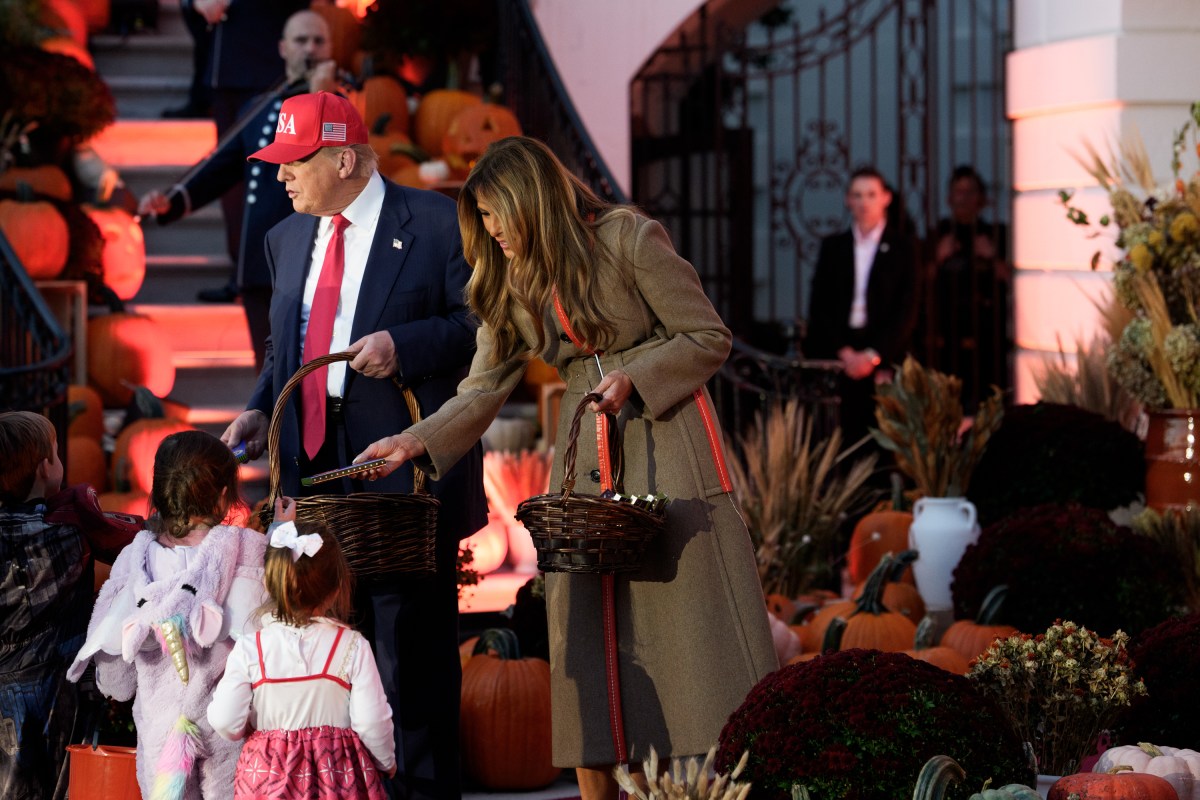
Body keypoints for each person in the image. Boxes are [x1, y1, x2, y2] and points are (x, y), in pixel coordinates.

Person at [352, 136, 779, 800]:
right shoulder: (503, 278)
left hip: (667, 443)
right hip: (586, 458)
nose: (492, 234)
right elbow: (482, 387)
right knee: (590, 627)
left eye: (498, 216)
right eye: (483, 222)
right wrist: (412, 442)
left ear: (533, 202)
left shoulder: (630, 238)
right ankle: (604, 785)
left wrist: (634, 377)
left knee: (684, 629)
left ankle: (714, 781)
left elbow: (708, 336)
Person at [219, 91, 487, 800]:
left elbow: (481, 332)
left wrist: (404, 344)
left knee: (412, 661)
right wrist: (255, 409)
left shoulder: (436, 223)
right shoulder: (284, 238)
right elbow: (285, 345)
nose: (280, 176)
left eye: (293, 161)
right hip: (313, 477)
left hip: (405, 473)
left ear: (343, 157)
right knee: (333, 657)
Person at [68, 431, 268, 799]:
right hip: (231, 730)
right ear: (225, 497)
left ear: (158, 496)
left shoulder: (134, 561)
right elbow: (277, 631)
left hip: (160, 739)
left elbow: (115, 680)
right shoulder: (250, 553)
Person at [139, 9, 340, 370]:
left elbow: (330, 164)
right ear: (282, 48)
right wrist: (170, 202)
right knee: (266, 375)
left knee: (310, 374)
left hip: (314, 263)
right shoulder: (259, 107)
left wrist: (321, 95)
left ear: (331, 47)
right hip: (260, 262)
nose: (310, 48)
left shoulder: (344, 104)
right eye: (300, 40)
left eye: (318, 40)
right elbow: (220, 168)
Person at [207, 498, 396, 798]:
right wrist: (386, 761)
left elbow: (225, 719)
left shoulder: (251, 647)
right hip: (337, 781)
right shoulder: (350, 646)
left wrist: (251, 731)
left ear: (271, 584)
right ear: (336, 587)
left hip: (268, 782)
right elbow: (371, 721)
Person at [0, 412, 140, 800]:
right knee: (62, 782)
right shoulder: (69, 531)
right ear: (46, 467)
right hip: (59, 692)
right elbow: (132, 541)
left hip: (5, 691)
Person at [189, 0, 312, 305]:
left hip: (266, 64)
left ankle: (268, 275)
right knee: (233, 178)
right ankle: (242, 273)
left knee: (276, 183)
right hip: (225, 69)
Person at [804, 165, 919, 445]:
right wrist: (844, 352)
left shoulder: (904, 247)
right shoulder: (834, 247)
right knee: (838, 438)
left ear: (886, 198)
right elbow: (820, 305)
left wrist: (873, 355)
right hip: (840, 354)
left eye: (871, 194)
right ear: (848, 200)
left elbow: (907, 309)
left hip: (882, 355)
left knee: (884, 440)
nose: (864, 202)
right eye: (857, 195)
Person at [920, 164, 1012, 408]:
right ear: (949, 198)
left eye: (970, 192)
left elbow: (1015, 280)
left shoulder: (997, 233)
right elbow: (917, 283)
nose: (963, 199)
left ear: (981, 199)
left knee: (987, 405)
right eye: (958, 192)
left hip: (988, 337)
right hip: (944, 338)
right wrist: (938, 257)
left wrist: (992, 257)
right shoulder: (937, 233)